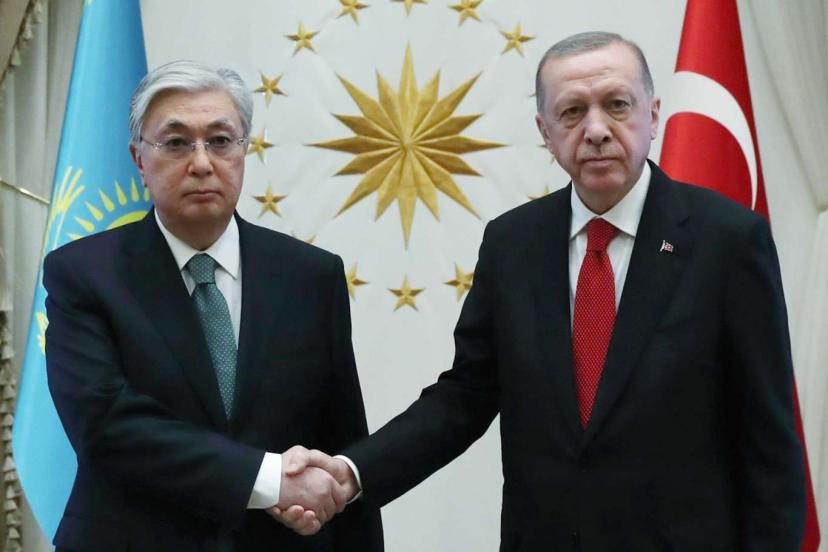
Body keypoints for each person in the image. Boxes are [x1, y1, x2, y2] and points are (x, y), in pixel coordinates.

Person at [277, 32, 806, 550]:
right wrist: (352, 473)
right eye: (572, 112)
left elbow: (769, 440)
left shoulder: (727, 240)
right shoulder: (512, 243)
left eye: (617, 105)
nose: (595, 130)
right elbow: (464, 397)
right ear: (545, 132)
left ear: (653, 114)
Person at [44, 60, 383, 551]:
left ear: (244, 150)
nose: (202, 163)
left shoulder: (311, 275)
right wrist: (269, 479)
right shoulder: (83, 273)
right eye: (176, 143)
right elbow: (105, 425)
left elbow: (341, 436)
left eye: (221, 141)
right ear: (139, 159)